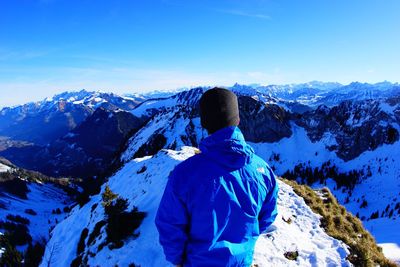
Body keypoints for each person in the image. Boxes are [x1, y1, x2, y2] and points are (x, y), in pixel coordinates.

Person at [155, 87, 279, 267]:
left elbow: (169, 226)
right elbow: (267, 216)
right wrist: (247, 240)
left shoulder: (184, 174)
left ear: (204, 124)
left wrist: (178, 261)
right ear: (238, 119)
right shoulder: (263, 169)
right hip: (242, 261)